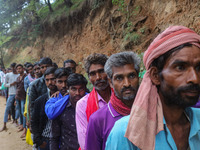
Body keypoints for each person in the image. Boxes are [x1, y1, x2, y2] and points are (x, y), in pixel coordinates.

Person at [105, 26, 200, 150]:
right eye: (180, 67)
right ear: (155, 76)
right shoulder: (126, 133)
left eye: (198, 68)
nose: (194, 78)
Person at [85, 51, 140, 150]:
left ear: (139, 78)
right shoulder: (97, 120)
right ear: (110, 82)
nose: (127, 83)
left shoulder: (152, 110)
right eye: (119, 78)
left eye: (131, 76)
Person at [76, 53, 111, 150]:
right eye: (93, 74)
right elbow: (84, 143)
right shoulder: (82, 104)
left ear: (109, 72)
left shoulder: (121, 97)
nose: (98, 77)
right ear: (89, 77)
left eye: (101, 71)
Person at [50, 73, 88, 150]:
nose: (77, 93)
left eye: (81, 89)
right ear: (68, 89)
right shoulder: (61, 108)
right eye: (73, 89)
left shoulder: (91, 106)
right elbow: (54, 137)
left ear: (85, 89)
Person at [31, 67, 57, 150]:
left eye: (53, 79)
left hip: (59, 140)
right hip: (45, 140)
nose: (50, 83)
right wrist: (38, 141)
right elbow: (34, 121)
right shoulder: (40, 101)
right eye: (47, 80)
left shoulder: (65, 98)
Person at [0, 63, 19, 131]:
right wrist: (11, 84)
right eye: (12, 67)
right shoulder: (8, 75)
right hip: (11, 94)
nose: (14, 68)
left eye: (15, 67)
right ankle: (4, 125)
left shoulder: (19, 75)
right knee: (7, 109)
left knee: (18, 108)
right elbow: (4, 85)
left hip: (18, 94)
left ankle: (15, 120)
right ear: (11, 68)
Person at [15, 64, 27, 138]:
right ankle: (21, 125)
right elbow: (17, 88)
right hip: (17, 97)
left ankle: (25, 129)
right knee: (19, 111)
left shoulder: (26, 77)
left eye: (20, 68)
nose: (19, 70)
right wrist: (15, 100)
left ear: (23, 69)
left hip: (23, 97)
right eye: (17, 69)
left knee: (23, 113)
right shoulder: (17, 78)